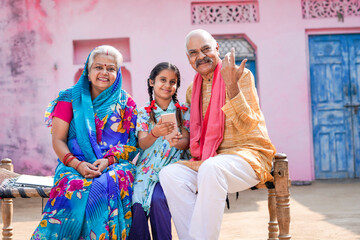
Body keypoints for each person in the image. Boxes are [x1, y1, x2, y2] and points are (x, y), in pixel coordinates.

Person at [159, 29, 276, 239]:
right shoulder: (190, 90)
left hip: (247, 156)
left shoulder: (242, 76)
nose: (201, 56)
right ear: (188, 58)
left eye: (206, 49)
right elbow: (195, 135)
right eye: (194, 53)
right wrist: (179, 139)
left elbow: (249, 125)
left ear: (217, 49)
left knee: (211, 168)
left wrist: (231, 86)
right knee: (170, 174)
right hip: (210, 160)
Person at [32, 45, 138, 240]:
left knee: (107, 182)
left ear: (119, 72)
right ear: (88, 72)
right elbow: (58, 140)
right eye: (98, 67)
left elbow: (133, 143)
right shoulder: (69, 98)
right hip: (73, 164)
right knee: (74, 187)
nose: (104, 72)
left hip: (114, 163)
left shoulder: (126, 103)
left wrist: (109, 161)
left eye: (111, 68)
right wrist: (77, 164)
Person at [128, 62, 190, 240]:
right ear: (151, 82)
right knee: (137, 204)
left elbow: (186, 142)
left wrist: (177, 142)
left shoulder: (183, 111)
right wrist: (155, 133)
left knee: (158, 201)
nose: (167, 85)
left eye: (173, 81)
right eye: (162, 80)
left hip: (170, 170)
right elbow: (142, 143)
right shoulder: (144, 113)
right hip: (145, 171)